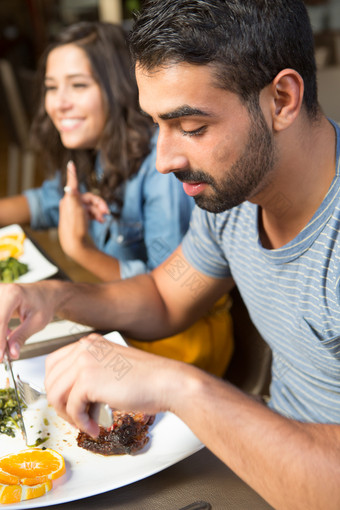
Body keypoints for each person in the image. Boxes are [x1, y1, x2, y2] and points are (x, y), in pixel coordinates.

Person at [0, 0, 339, 507]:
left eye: (192, 127)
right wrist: (53, 295)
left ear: (283, 99)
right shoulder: (233, 194)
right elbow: (165, 296)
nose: (163, 160)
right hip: (251, 454)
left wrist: (179, 385)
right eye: (157, 124)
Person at [0, 20, 233, 377]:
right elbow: (49, 199)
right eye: (50, 87)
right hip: (124, 320)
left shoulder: (163, 167)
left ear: (118, 89)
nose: (58, 103)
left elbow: (165, 290)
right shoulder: (93, 151)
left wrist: (81, 249)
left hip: (182, 344)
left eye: (78, 85)